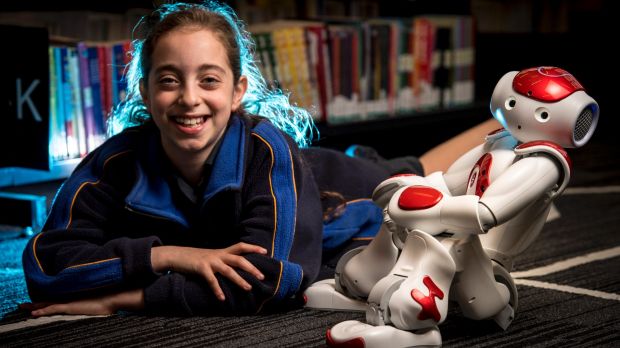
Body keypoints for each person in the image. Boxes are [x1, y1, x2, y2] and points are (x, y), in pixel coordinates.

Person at [21, 1, 500, 317]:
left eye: (209, 80)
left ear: (237, 93)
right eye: (169, 80)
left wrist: (119, 299)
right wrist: (165, 255)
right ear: (145, 92)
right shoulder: (115, 161)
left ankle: (517, 123)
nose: (190, 98)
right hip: (308, 175)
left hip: (348, 189)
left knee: (437, 180)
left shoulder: (267, 150)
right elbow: (46, 265)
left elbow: (272, 282)